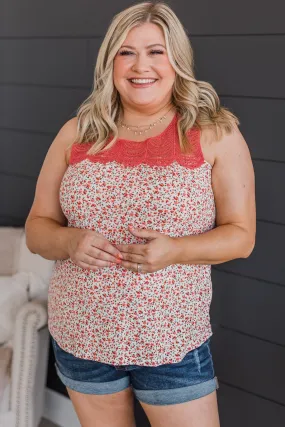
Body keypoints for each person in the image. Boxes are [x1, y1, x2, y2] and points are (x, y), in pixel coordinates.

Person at [25, 1, 256, 426]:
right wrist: (69, 241)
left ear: (177, 60)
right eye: (126, 52)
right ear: (110, 61)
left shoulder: (214, 133)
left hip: (171, 343)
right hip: (82, 336)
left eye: (156, 50)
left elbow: (241, 236)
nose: (140, 65)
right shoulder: (76, 133)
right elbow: (38, 229)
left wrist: (177, 250)